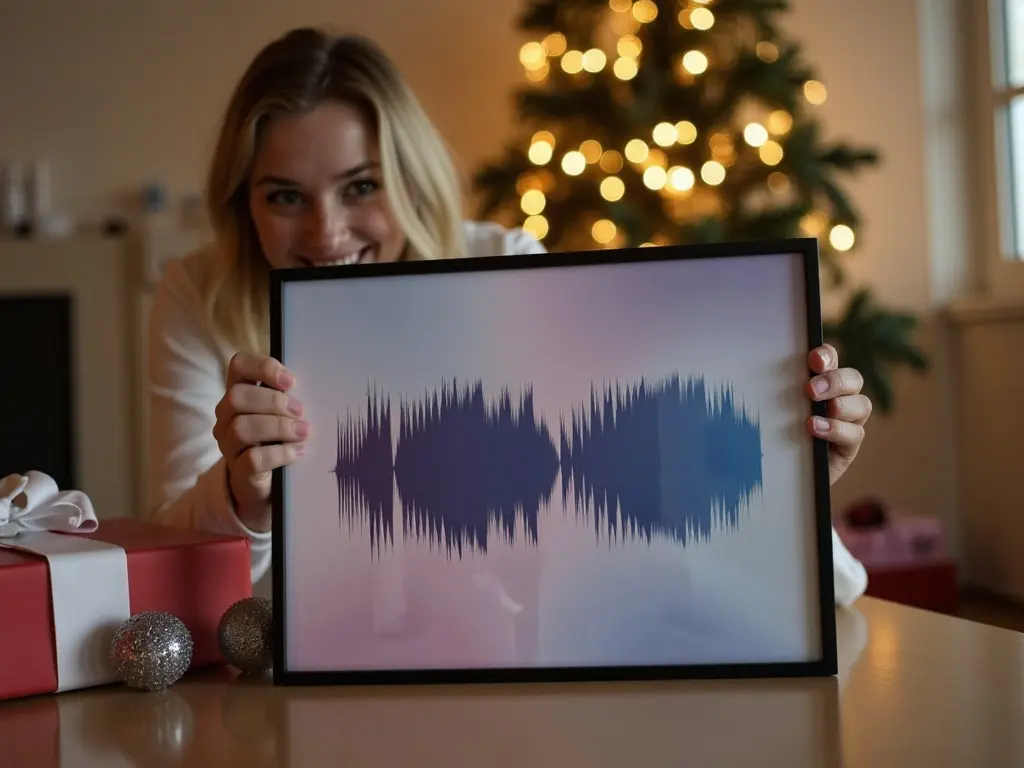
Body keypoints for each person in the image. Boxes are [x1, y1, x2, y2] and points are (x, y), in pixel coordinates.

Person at [146, 27, 870, 606]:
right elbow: (171, 561)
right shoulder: (198, 296)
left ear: (409, 176)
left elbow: (601, 509)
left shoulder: (506, 266)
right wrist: (245, 497)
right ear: (242, 198)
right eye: (284, 196)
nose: (327, 235)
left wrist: (785, 469)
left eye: (360, 186)